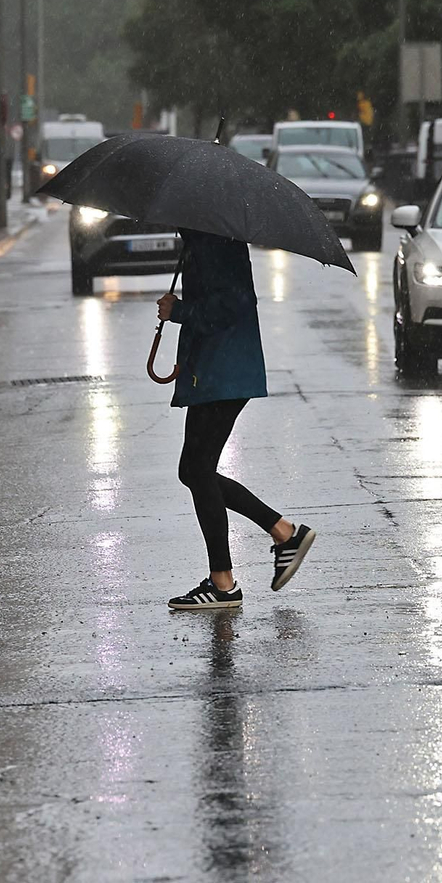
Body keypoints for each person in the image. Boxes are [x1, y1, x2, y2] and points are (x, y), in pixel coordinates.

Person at [156, 229, 316, 610]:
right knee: (194, 470)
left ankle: (224, 583)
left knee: (196, 470)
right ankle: (282, 533)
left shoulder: (214, 242)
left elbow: (230, 308)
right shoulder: (203, 239)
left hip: (222, 374)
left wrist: (178, 312)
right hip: (217, 372)